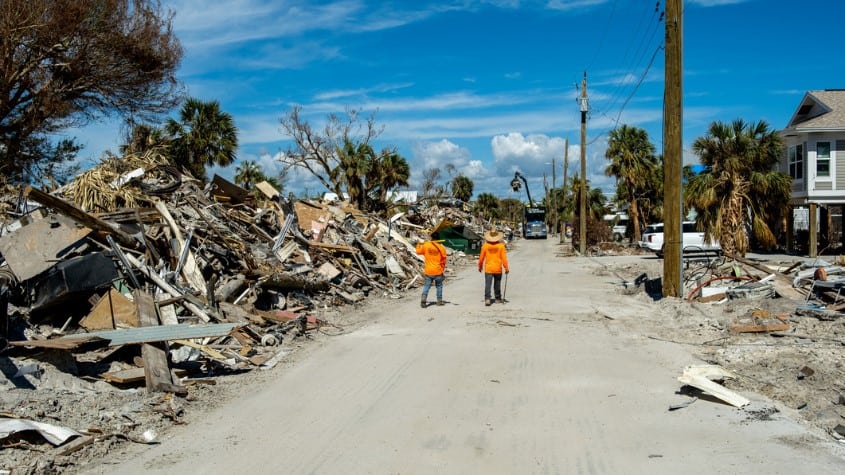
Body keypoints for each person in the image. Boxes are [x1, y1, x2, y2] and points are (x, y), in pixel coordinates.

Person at [415, 230, 447, 308]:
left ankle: (423, 301)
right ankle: (439, 301)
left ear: (431, 238)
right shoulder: (441, 248)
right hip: (438, 270)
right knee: (439, 286)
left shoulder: (426, 245)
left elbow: (418, 252)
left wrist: (418, 245)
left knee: (427, 286)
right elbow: (444, 260)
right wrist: (442, 269)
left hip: (428, 271)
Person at [478, 228, 509, 306]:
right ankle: (498, 298)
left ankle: (487, 299)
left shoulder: (485, 246)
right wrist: (506, 268)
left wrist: (480, 266)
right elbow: (504, 258)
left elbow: (481, 258)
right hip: (497, 268)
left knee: (488, 284)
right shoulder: (501, 246)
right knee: (497, 284)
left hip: (488, 268)